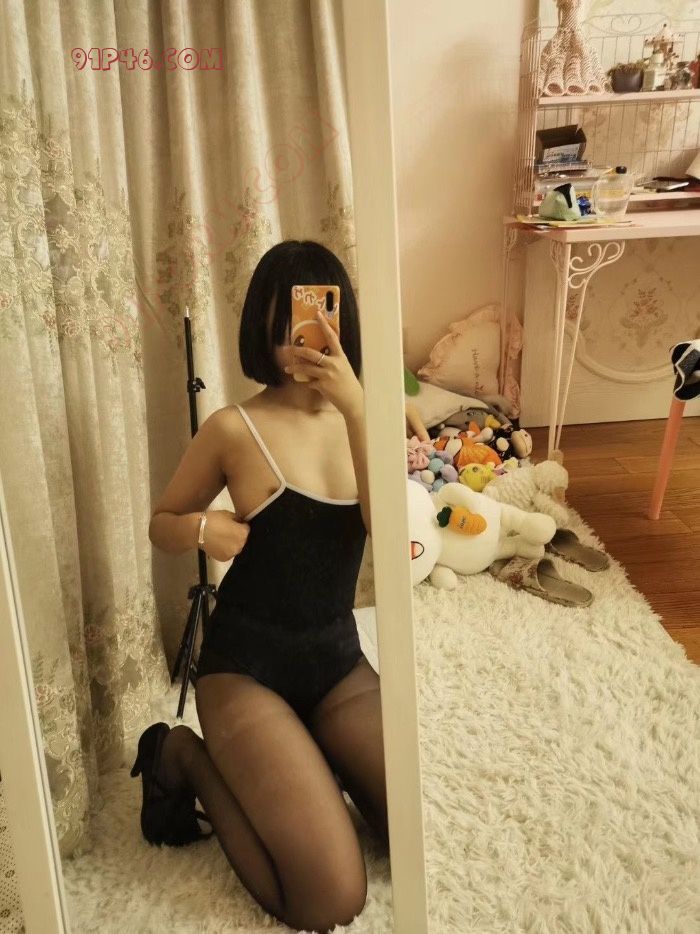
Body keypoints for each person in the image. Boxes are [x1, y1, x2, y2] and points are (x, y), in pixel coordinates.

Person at [131, 240, 388, 934]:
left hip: (338, 664)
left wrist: (360, 410)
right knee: (329, 899)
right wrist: (201, 530)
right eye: (285, 327)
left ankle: (306, 752)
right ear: (261, 332)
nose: (300, 343)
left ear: (341, 323)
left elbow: (390, 537)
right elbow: (160, 523)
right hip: (246, 670)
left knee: (418, 830)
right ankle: (184, 755)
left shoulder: (367, 419)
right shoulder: (232, 428)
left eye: (316, 321)